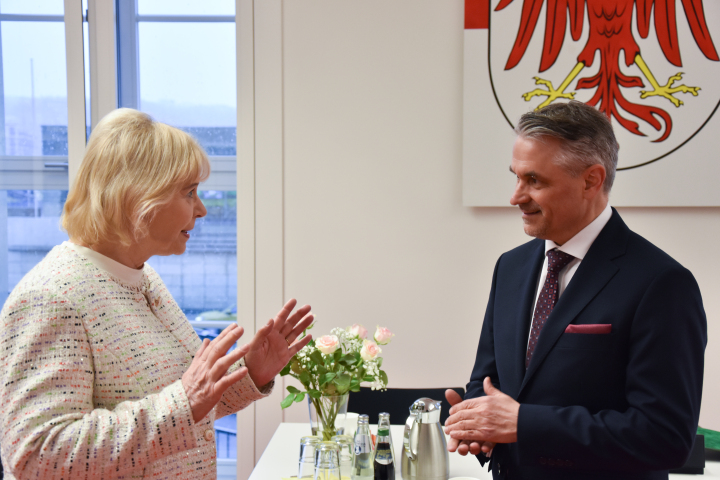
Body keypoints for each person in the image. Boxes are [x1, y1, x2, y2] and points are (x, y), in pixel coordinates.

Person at [0, 108, 314, 480]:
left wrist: (250, 374)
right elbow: (37, 454)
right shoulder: (53, 297)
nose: (202, 209)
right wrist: (183, 403)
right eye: (189, 193)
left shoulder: (144, 279)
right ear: (138, 197)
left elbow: (187, 407)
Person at [443, 101, 707, 480]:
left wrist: (522, 423)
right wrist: (477, 421)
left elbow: (665, 437)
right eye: (516, 177)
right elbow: (488, 382)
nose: (516, 197)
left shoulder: (662, 283)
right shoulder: (510, 267)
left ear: (591, 180)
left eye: (535, 181)